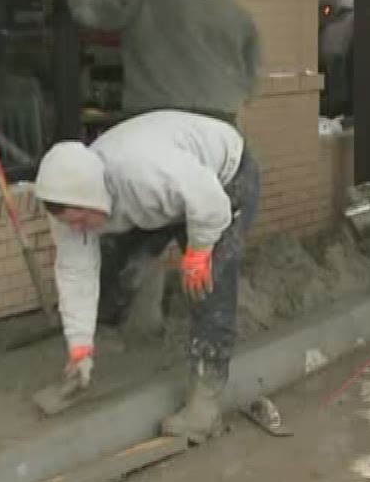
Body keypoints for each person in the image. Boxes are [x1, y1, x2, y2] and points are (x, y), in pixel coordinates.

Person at [31, 109, 261, 442]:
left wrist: (197, 254)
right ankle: (130, 335)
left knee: (209, 289)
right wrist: (79, 347)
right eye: (70, 223)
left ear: (91, 196)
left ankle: (205, 404)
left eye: (81, 219)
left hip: (223, 179)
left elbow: (210, 202)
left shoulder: (145, 174)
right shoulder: (69, 208)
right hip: (163, 198)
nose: (76, 229)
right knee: (117, 266)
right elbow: (76, 274)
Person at [68, 0, 263, 125]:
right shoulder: (237, 13)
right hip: (221, 119)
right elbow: (252, 74)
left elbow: (89, 10)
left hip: (159, 115)